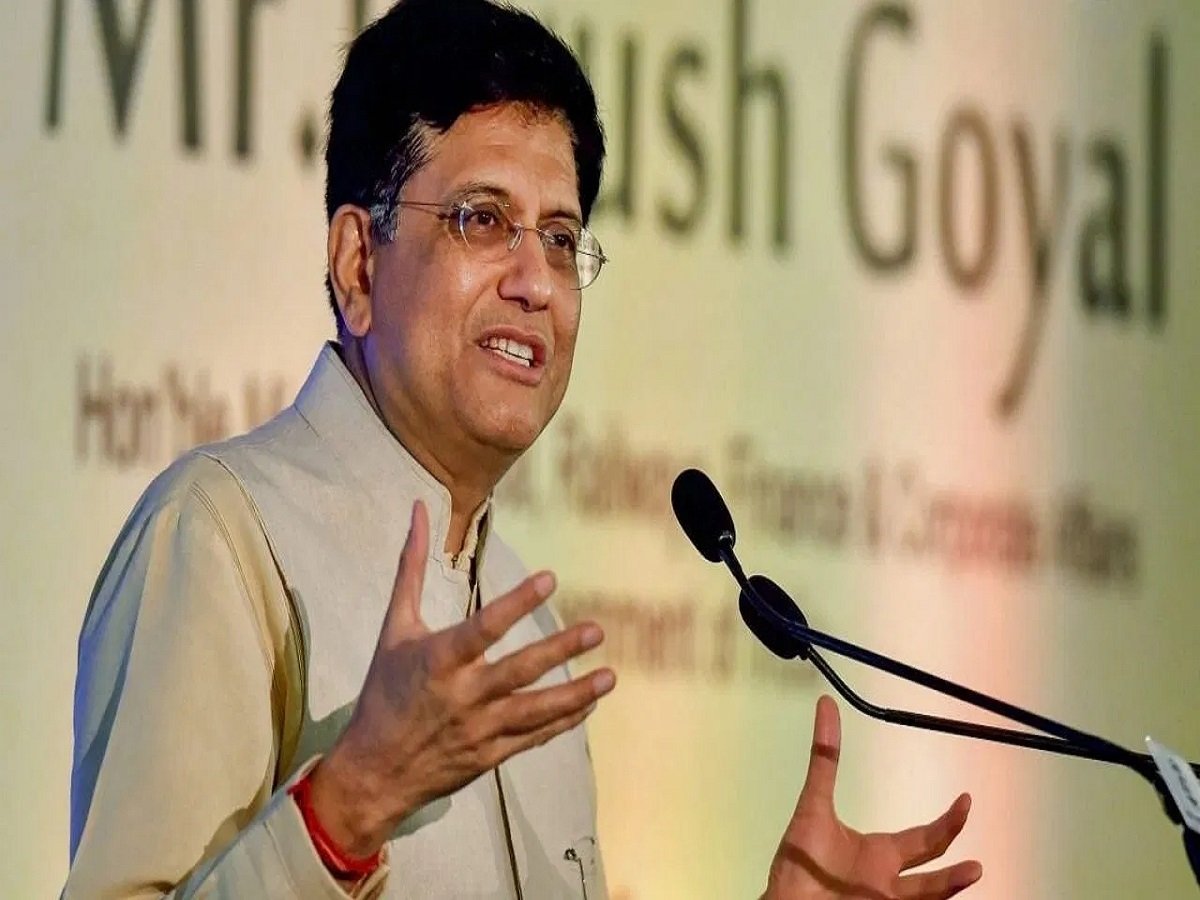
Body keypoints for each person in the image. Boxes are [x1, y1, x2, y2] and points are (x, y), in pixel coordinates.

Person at [63, 1, 984, 897]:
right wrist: (343, 813)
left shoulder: (525, 625)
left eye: (561, 237)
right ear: (358, 264)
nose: (536, 282)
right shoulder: (222, 537)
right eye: (482, 219)